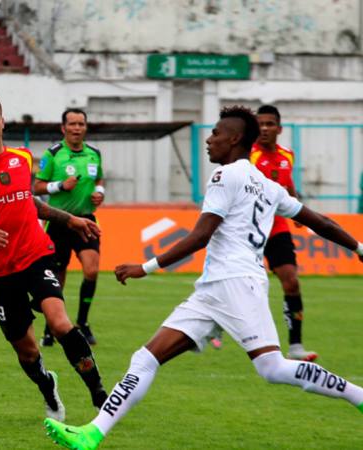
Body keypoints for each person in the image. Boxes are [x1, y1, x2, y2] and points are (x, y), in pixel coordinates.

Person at [43, 106, 363, 450]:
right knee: (145, 358)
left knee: (272, 368)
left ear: (235, 139)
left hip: (236, 283)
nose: (209, 140)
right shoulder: (270, 187)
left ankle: (359, 395)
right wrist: (358, 246)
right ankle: (92, 433)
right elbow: (321, 222)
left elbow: (200, 236)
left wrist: (144, 267)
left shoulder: (225, 176)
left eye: (215, 133)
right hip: (215, 288)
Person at [0, 93, 108, 420]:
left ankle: (99, 394)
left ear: (3, 121)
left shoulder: (22, 158)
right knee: (27, 350)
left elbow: (30, 203)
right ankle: (47, 387)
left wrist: (70, 219)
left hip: (35, 255)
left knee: (60, 322)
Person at [250, 104, 317, 361]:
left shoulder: (287, 155)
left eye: (269, 124)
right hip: (250, 229)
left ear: (279, 128)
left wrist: (297, 211)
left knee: (291, 282)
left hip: (277, 227)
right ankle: (213, 327)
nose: (264, 129)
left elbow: (288, 185)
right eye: (260, 124)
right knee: (243, 285)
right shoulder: (249, 155)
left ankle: (296, 346)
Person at [34, 108, 104, 347]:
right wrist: (60, 186)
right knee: (57, 278)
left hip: (86, 220)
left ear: (85, 127)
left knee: (92, 270)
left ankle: (82, 322)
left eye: (81, 124)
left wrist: (99, 193)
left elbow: (99, 180)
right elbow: (37, 186)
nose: (77, 128)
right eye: (72, 124)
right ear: (63, 128)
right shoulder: (53, 154)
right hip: (59, 222)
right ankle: (50, 328)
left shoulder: (94, 154)